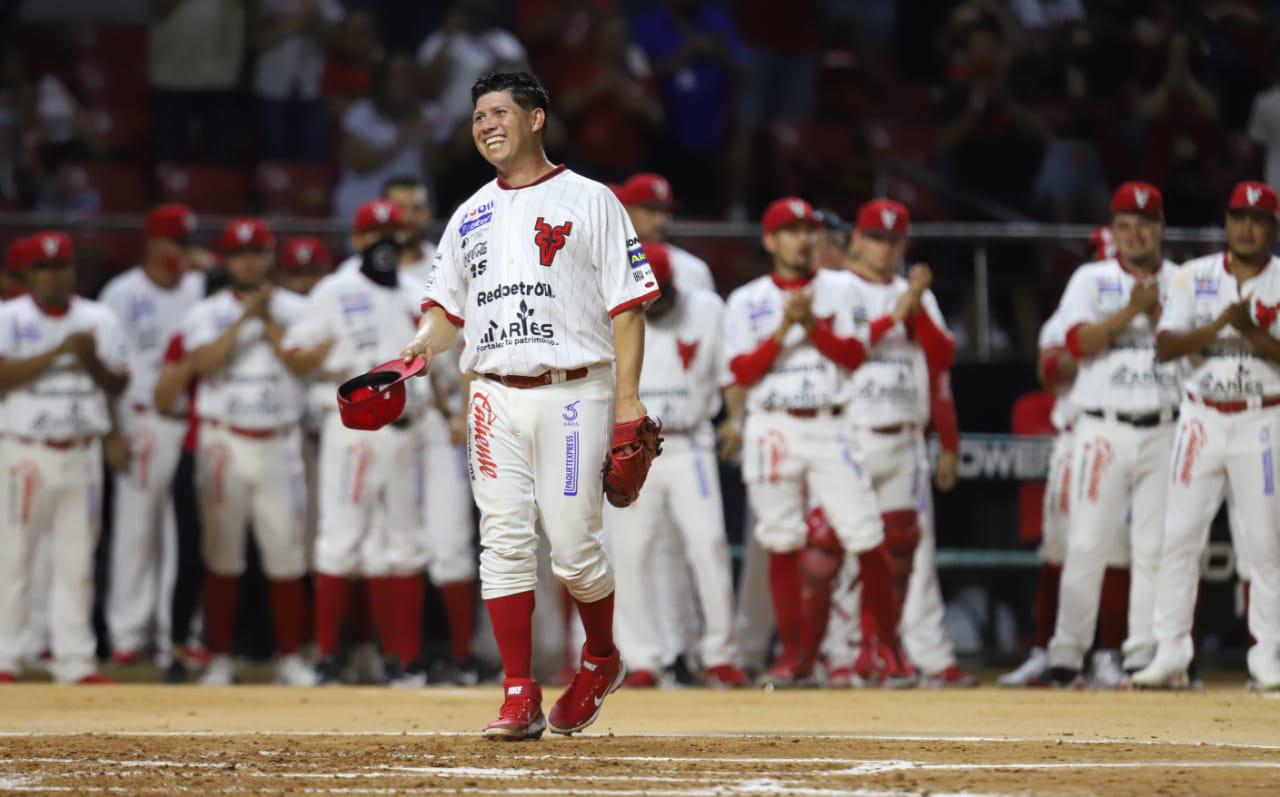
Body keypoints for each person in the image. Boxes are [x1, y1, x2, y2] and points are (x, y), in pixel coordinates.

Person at [399, 71, 658, 739]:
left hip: (573, 389)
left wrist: (628, 404)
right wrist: (413, 353)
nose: (486, 124)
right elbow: (443, 311)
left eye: (499, 112)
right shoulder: (468, 215)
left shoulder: (590, 199)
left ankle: (600, 658)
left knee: (574, 550)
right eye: (477, 114)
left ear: (535, 118)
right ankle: (519, 690)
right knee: (504, 544)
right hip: (491, 392)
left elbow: (628, 310)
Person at [722, 196, 902, 686]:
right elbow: (742, 371)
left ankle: (887, 650)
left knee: (867, 534)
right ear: (769, 240)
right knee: (781, 539)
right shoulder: (747, 300)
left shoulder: (844, 289)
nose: (802, 239)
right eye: (791, 230)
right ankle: (795, 655)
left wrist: (810, 325)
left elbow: (854, 355)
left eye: (809, 229)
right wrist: (785, 328)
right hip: (773, 423)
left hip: (830, 420)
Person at [811, 199, 971, 688]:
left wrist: (948, 442)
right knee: (837, 552)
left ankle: (905, 652)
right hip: (849, 434)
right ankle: (841, 655)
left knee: (909, 555)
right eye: (875, 238)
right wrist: (895, 314)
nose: (884, 249)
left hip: (904, 439)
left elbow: (941, 358)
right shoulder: (835, 287)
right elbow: (834, 351)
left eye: (893, 240)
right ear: (856, 239)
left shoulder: (912, 293)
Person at [1134, 181, 1280, 690]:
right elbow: (1166, 347)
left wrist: (1254, 334)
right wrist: (1224, 324)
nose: (1246, 226)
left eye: (1258, 219)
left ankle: (1267, 660)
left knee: (1264, 544)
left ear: (1272, 229)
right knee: (1178, 537)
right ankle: (1170, 652)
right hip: (1201, 417)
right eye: (1238, 216)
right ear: (1226, 221)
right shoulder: (1195, 277)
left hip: (1262, 418)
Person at [1039, 182, 1182, 686]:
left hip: (1164, 427)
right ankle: (1066, 654)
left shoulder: (1182, 280)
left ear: (1161, 227)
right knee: (1086, 542)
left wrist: (1158, 310)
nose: (1135, 233)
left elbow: (1192, 349)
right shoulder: (1091, 278)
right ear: (1114, 231)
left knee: (1153, 547)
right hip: (1103, 427)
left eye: (1144, 223)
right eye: (1124, 224)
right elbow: (1076, 344)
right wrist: (1132, 311)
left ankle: (1141, 655)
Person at [285, 199, 428, 686]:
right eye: (375, 235)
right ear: (359, 239)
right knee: (340, 541)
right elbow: (297, 354)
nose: (386, 244)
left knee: (405, 546)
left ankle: (402, 661)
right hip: (353, 434)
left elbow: (444, 366)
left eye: (394, 235)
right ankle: (327, 657)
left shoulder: (416, 292)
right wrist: (324, 353)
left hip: (409, 430)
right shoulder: (336, 289)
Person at [182, 218, 325, 687]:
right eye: (241, 253)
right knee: (222, 554)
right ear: (227, 260)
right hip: (225, 439)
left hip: (280, 439)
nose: (250, 261)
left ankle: (290, 657)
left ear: (270, 256)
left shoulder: (297, 308)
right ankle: (220, 657)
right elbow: (201, 365)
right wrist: (244, 320)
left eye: (258, 252)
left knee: (286, 556)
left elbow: (305, 361)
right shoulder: (206, 311)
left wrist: (268, 324)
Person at [604, 242, 748, 689]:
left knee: (708, 545)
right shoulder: (609, 310)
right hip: (631, 446)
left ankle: (721, 654)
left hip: (689, 442)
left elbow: (730, 372)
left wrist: (737, 417)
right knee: (630, 554)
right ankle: (642, 658)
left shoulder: (705, 308)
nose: (657, 300)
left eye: (663, 290)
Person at [0, 230, 130, 684]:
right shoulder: (8, 316)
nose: (53, 275)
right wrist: (57, 351)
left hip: (81, 450)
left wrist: (90, 358)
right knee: (13, 557)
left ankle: (75, 660)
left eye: (61, 266)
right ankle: (7, 657)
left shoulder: (99, 317)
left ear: (74, 270)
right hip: (24, 451)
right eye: (44, 267)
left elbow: (118, 385)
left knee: (77, 560)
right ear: (29, 274)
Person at [382, 175, 483, 683]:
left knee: (451, 544)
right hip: (391, 424)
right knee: (398, 545)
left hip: (442, 419)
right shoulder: (362, 277)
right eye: (397, 208)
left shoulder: (445, 264)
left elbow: (465, 348)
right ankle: (405, 659)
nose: (406, 218)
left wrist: (463, 414)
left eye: (416, 208)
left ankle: (461, 658)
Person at [98, 203, 206, 666]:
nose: (179, 253)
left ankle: (174, 635)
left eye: (186, 243)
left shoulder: (201, 289)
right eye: (172, 243)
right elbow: (105, 369)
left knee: (183, 535)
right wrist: (112, 431)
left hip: (189, 424)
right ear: (151, 242)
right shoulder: (120, 293)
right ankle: (127, 633)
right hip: (141, 421)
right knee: (135, 531)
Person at [333, 53, 433, 224]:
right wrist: (402, 137)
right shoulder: (361, 113)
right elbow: (360, 163)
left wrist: (428, 138)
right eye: (394, 76)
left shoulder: (427, 114)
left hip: (411, 214)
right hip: (362, 210)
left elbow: (439, 167)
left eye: (406, 77)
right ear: (382, 80)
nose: (400, 83)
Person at [251, 0, 344, 162]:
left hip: (314, 89)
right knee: (276, 160)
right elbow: (257, 41)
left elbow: (335, 42)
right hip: (272, 88)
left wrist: (309, 21)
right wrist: (299, 20)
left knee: (314, 159)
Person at [616, 172, 715, 293]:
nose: (661, 221)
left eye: (665, 211)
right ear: (626, 210)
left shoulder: (693, 269)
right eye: (651, 210)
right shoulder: (607, 263)